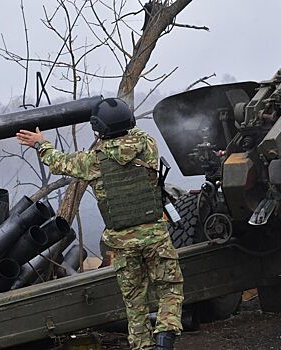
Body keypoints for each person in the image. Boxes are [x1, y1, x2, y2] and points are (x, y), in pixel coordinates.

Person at [16, 98, 184, 350]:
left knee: (134, 301)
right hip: (155, 235)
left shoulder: (92, 161)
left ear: (99, 129)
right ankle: (164, 338)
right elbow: (132, 132)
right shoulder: (146, 144)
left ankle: (145, 347)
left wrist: (41, 144)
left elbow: (59, 161)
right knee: (170, 288)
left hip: (122, 242)